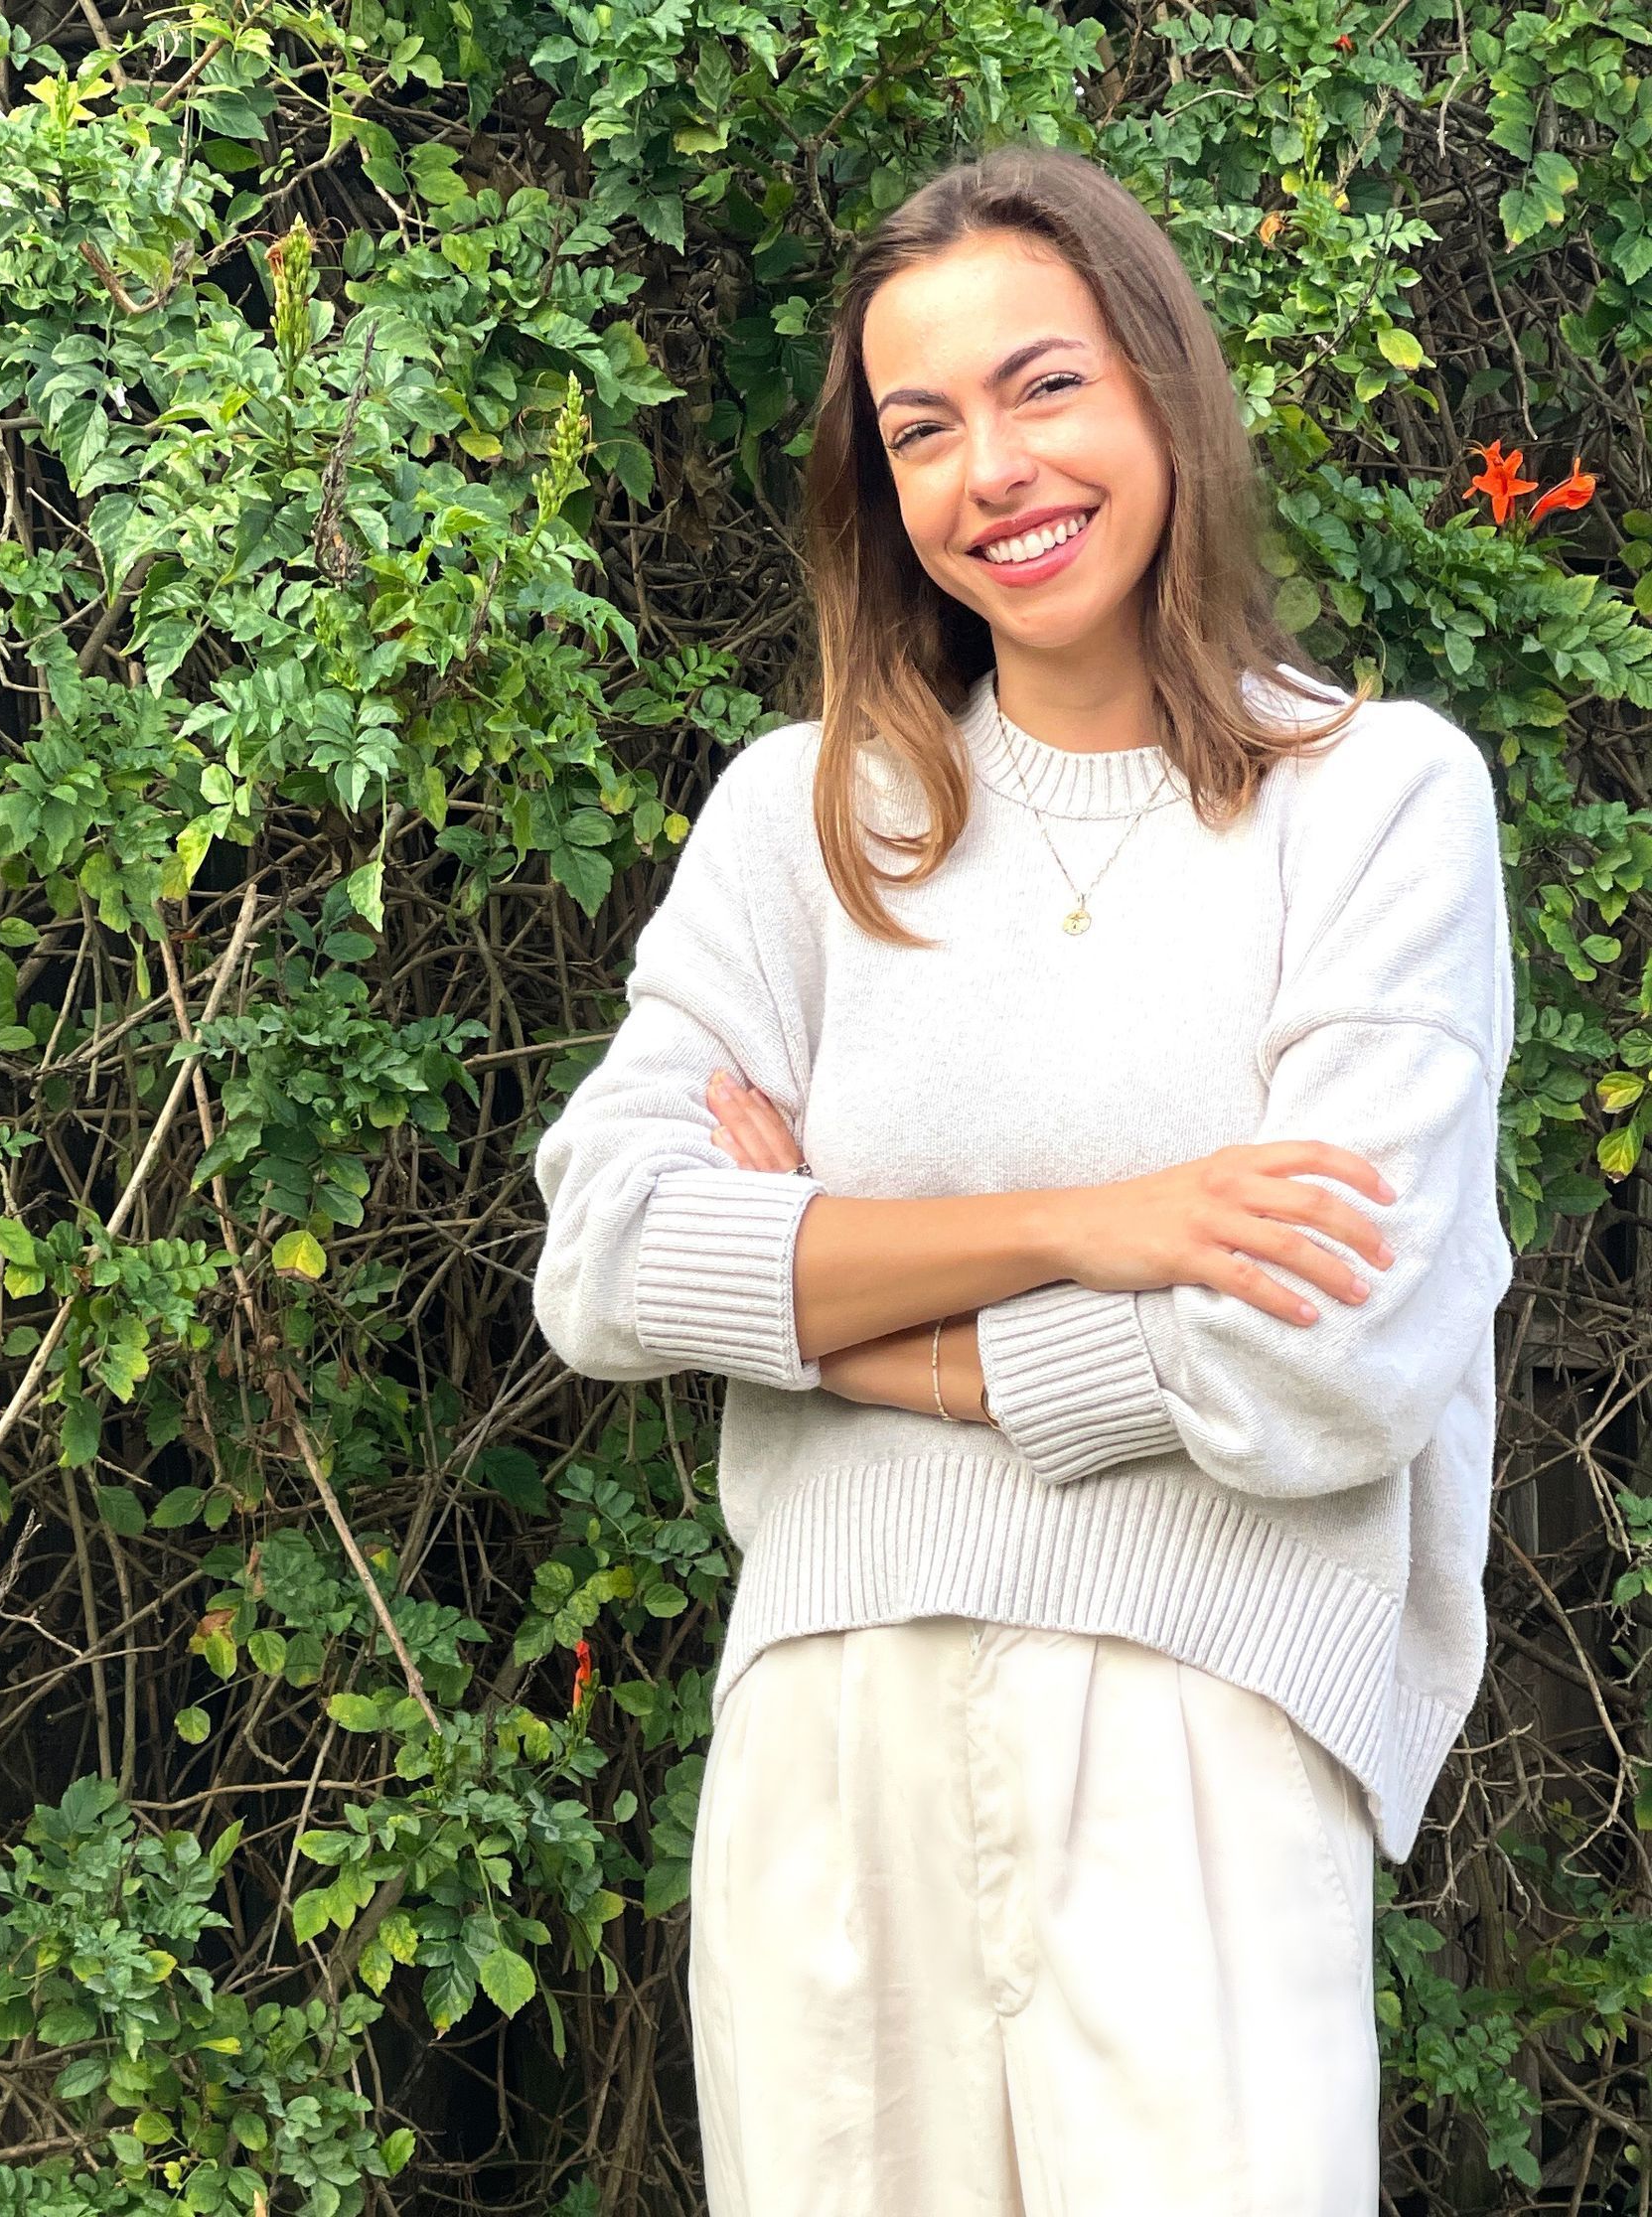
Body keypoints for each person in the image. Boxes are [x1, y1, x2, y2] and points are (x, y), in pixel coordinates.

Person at [528, 138, 1514, 2217]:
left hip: (1205, 1733)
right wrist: (1107, 1225)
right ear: (879, 487)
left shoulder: (1378, 808)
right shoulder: (802, 823)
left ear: (1162, 387)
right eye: (924, 425)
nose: (996, 466)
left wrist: (846, 1326)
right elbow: (611, 1255)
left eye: (1044, 385)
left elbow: (1327, 1360)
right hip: (832, 1727)